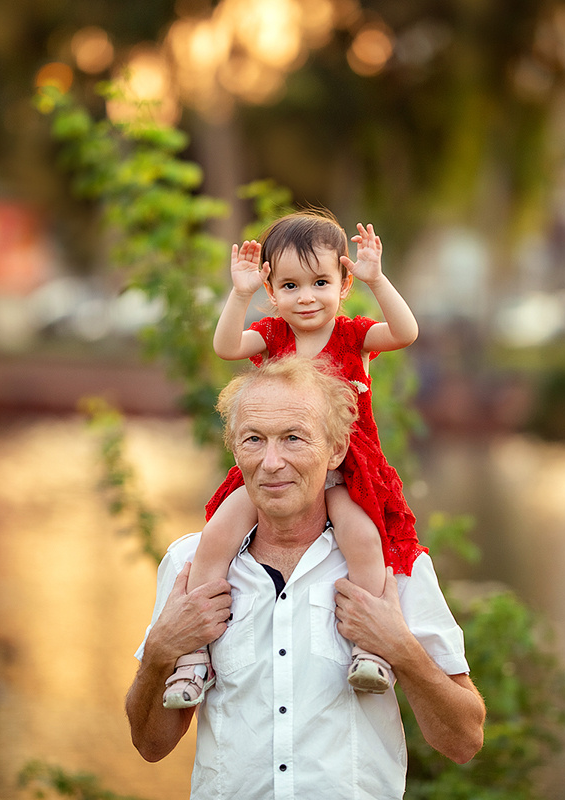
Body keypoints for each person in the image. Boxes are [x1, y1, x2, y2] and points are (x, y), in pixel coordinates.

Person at [126, 356, 485, 799]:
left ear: (335, 450)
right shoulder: (191, 564)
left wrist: (401, 649)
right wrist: (160, 651)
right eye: (254, 439)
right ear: (235, 450)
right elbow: (151, 745)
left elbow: (464, 741)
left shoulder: (395, 567)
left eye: (293, 438)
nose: (271, 462)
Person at [163, 209, 422, 708]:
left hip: (344, 469)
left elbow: (406, 332)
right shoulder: (273, 335)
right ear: (272, 289)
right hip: (278, 466)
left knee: (364, 540)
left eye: (320, 282)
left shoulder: (353, 336)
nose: (306, 297)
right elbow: (226, 347)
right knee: (216, 533)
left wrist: (378, 278)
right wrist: (240, 294)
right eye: (289, 285)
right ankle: (192, 656)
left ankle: (370, 650)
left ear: (344, 283)